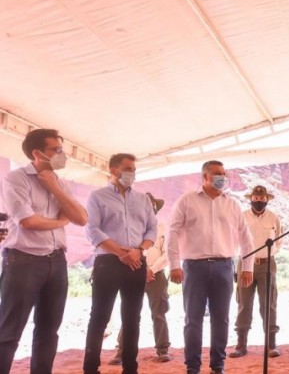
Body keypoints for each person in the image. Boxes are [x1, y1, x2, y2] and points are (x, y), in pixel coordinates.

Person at [0, 128, 87, 374]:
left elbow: (81, 218)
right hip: (23, 261)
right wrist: (61, 221)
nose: (62, 155)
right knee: (9, 332)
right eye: (56, 150)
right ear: (37, 153)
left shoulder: (60, 182)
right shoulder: (16, 179)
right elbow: (27, 221)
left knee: (49, 332)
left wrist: (55, 188)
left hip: (56, 261)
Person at [167, 160, 255, 374]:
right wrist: (174, 265)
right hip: (193, 267)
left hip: (224, 266)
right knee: (193, 319)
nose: (222, 177)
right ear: (204, 177)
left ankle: (218, 365)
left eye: (224, 174)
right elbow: (172, 232)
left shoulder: (232, 204)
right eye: (217, 174)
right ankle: (193, 367)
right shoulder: (186, 201)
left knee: (221, 318)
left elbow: (246, 237)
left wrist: (248, 267)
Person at [82, 153, 158, 374]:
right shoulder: (97, 196)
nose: (132, 173)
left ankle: (130, 368)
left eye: (134, 169)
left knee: (133, 317)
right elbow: (92, 229)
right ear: (114, 170)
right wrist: (120, 252)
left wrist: (139, 250)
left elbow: (152, 228)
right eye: (128, 169)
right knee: (100, 317)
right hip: (108, 262)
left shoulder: (143, 199)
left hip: (137, 262)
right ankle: (90, 368)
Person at [110, 192, 173, 364]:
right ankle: (122, 351)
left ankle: (162, 350)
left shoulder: (163, 227)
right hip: (132, 272)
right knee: (129, 313)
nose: (149, 208)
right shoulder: (128, 227)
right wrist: (142, 269)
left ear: (155, 208)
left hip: (156, 275)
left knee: (158, 313)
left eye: (152, 205)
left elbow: (168, 254)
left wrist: (151, 269)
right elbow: (123, 250)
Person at [229, 185, 283, 359]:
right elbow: (235, 239)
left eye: (262, 199)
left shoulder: (273, 217)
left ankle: (271, 345)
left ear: (267, 199)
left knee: (269, 303)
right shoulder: (242, 216)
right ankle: (241, 345)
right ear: (251, 199)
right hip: (245, 264)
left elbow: (279, 240)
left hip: (267, 264)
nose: (259, 201)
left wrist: (269, 253)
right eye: (256, 198)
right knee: (244, 303)